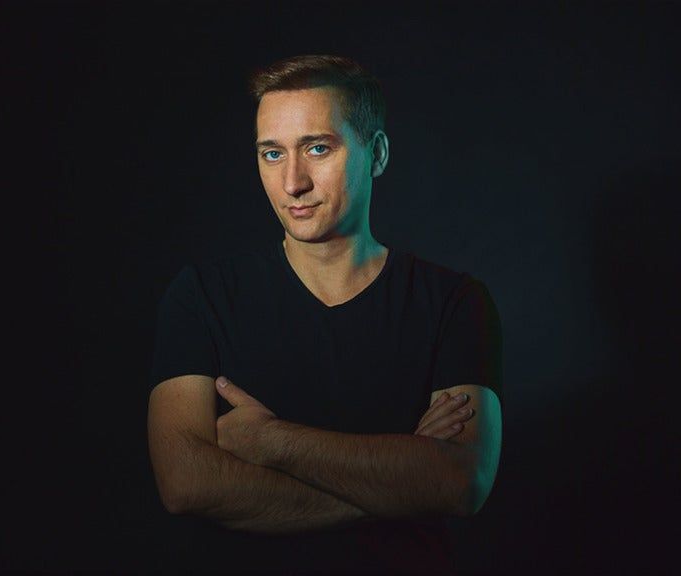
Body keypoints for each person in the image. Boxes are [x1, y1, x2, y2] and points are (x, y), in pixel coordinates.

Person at [147, 54, 503, 574]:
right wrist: (403, 482)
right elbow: (184, 484)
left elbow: (461, 483)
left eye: (318, 148)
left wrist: (268, 441)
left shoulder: (454, 302)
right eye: (272, 154)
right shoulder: (201, 296)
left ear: (376, 154)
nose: (293, 182)